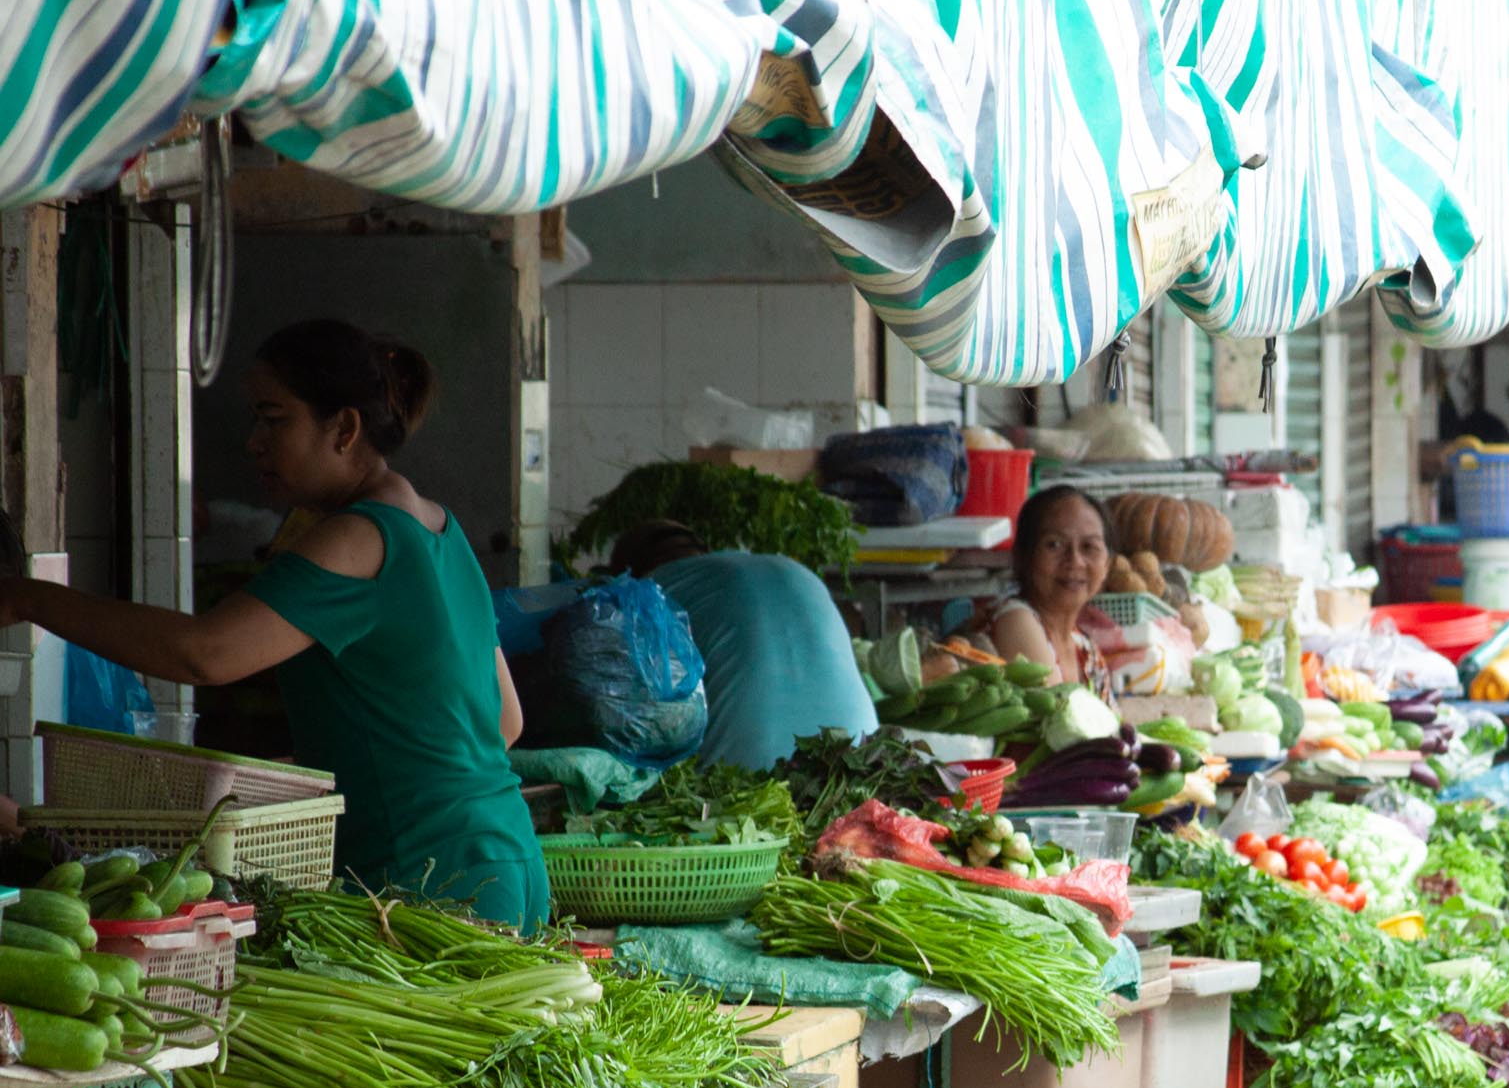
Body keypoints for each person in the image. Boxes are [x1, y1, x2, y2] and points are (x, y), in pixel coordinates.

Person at [0, 319, 548, 930]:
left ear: (344, 428)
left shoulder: (359, 539)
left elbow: (204, 654)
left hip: (429, 877)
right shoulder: (440, 529)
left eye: (273, 418)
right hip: (508, 856)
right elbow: (505, 721)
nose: (254, 442)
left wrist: (28, 599)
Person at [609, 521, 877, 769]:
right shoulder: (795, 569)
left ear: (632, 569)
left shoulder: (649, 588)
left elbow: (627, 707)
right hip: (866, 759)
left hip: (747, 776)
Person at [985, 486, 1115, 699]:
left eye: (1089, 546)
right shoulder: (1016, 620)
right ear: (1024, 557)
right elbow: (1060, 722)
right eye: (1054, 545)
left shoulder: (1084, 648)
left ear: (1107, 564)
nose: (1075, 561)